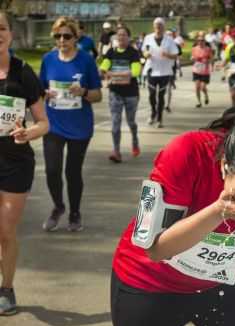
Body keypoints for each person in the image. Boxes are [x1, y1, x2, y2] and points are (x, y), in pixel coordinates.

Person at [111, 98, 235, 326]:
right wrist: (217, 212)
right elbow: (155, 249)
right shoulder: (185, 151)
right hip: (148, 282)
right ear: (225, 165)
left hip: (221, 280)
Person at [0, 11, 49, 315]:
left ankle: (6, 288)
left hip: (15, 162)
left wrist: (29, 132)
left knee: (5, 231)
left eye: (1, 28)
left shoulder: (23, 72)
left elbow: (44, 122)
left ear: (10, 35)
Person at [40, 16, 102, 232]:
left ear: (76, 37)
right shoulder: (48, 59)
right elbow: (40, 91)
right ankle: (58, 207)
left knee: (72, 172)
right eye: (58, 36)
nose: (62, 40)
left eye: (67, 36)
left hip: (79, 127)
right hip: (54, 124)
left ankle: (75, 212)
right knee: (52, 170)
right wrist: (45, 94)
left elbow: (97, 95)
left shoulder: (85, 60)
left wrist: (83, 92)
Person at [99, 25, 142, 163]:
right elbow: (104, 68)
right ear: (116, 37)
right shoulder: (111, 52)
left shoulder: (133, 53)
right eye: (119, 35)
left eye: (124, 35)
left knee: (131, 122)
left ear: (128, 38)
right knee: (115, 123)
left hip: (131, 94)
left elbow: (135, 72)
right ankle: (116, 151)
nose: (121, 37)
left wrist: (114, 74)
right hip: (115, 93)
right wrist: (108, 72)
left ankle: (135, 140)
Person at [142, 17, 178, 127]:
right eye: (156, 26)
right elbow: (144, 50)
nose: (158, 28)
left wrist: (167, 55)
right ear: (154, 27)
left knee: (161, 96)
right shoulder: (148, 38)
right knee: (152, 95)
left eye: (160, 26)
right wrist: (146, 54)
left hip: (164, 71)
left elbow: (175, 55)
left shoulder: (169, 40)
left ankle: (160, 118)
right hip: (151, 70)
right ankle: (153, 112)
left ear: (163, 27)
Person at [191, 33, 213, 108]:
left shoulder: (208, 49)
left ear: (204, 41)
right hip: (196, 70)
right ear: (197, 41)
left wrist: (208, 61)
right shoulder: (194, 49)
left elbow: (211, 59)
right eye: (199, 40)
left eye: (202, 40)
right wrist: (193, 59)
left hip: (205, 71)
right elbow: (192, 58)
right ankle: (199, 102)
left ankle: (206, 96)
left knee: (203, 87)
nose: (200, 42)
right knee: (197, 86)